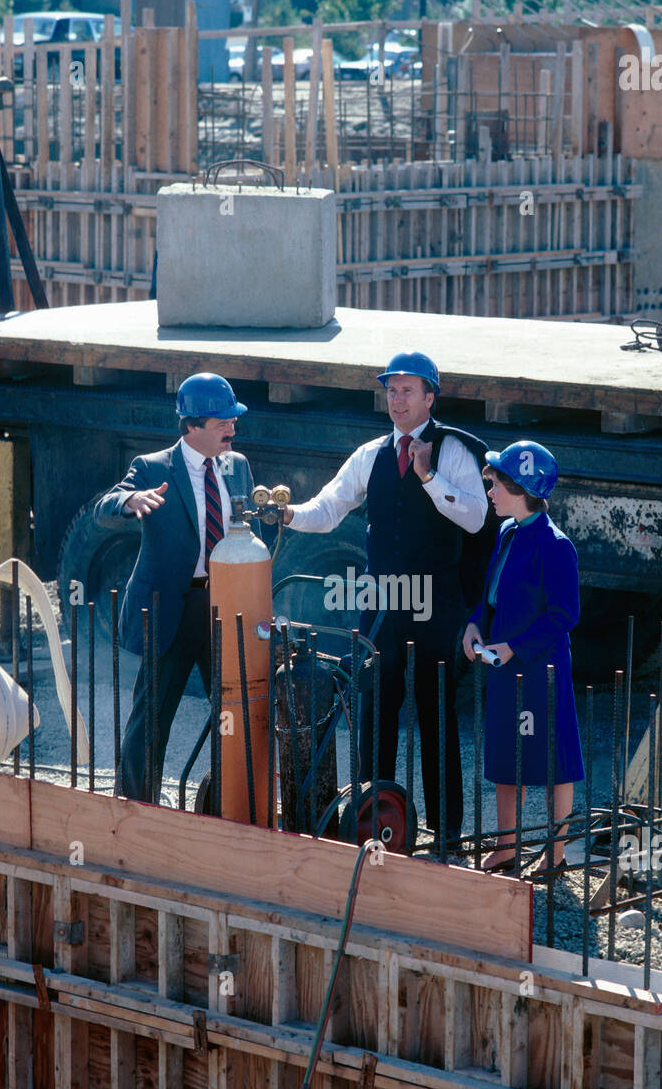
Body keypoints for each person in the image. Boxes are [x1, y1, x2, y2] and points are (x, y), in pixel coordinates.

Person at [282, 351, 488, 843]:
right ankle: (373, 820)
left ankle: (446, 831)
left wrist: (429, 477)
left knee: (437, 715)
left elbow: (477, 518)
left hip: (437, 604)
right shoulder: (371, 453)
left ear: (430, 397)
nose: (397, 400)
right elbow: (329, 507)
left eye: (407, 391)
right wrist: (289, 515)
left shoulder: (453, 450)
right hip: (381, 601)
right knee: (376, 710)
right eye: (391, 391)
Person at [94, 372, 256, 802]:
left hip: (223, 604)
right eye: (222, 423)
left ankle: (227, 801)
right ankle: (135, 808)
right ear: (191, 426)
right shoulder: (152, 467)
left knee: (231, 709)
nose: (232, 430)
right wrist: (128, 501)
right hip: (169, 608)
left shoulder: (237, 466)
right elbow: (103, 508)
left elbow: (253, 528)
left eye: (232, 421)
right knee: (152, 717)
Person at [463, 440, 584, 874]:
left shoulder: (555, 545)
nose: (490, 490)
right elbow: (490, 595)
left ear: (519, 487)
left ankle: (555, 855)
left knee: (552, 758)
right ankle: (507, 846)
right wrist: (476, 623)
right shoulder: (507, 531)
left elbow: (565, 613)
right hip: (503, 666)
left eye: (495, 482)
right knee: (505, 753)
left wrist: (515, 646)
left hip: (539, 668)